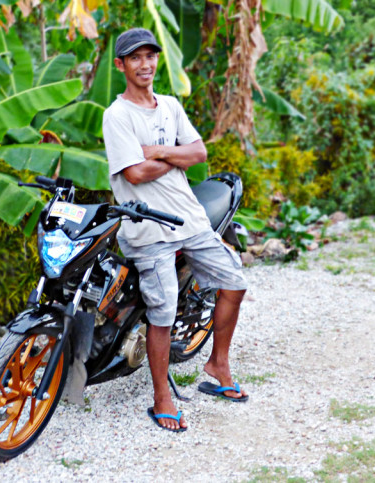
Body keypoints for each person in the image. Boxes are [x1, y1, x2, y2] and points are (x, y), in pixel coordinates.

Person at [102, 28, 249, 432]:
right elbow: (134, 171)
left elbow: (199, 153)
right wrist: (176, 156)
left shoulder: (169, 106)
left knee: (235, 281)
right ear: (121, 65)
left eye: (150, 56)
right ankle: (162, 397)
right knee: (162, 313)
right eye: (135, 58)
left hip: (189, 219)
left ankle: (218, 364)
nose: (145, 64)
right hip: (148, 229)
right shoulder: (117, 116)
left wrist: (161, 152)